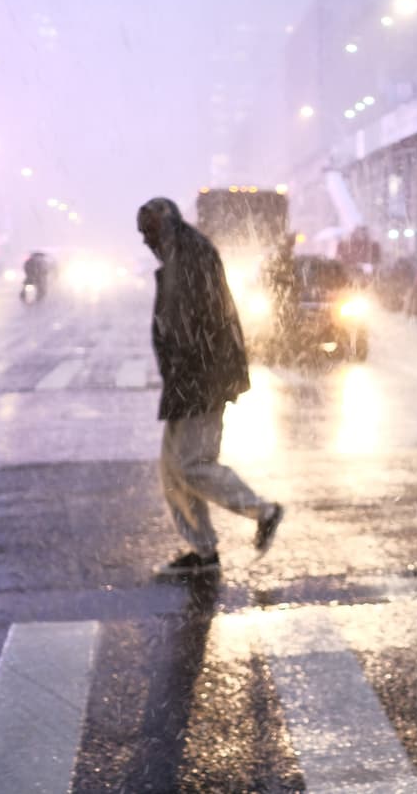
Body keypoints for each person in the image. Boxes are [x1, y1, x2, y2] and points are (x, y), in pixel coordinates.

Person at [137, 197, 284, 576]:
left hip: (200, 378)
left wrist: (192, 372)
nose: (145, 240)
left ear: (166, 225)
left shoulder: (190, 257)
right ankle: (203, 552)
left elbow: (197, 326)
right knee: (174, 471)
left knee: (192, 464)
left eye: (149, 231)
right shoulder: (181, 255)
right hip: (189, 380)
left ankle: (261, 510)